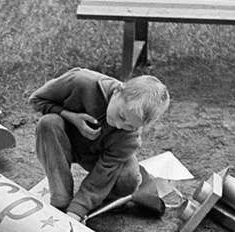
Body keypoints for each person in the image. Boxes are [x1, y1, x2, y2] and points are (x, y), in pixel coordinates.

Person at [30, 67, 170, 222]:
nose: (118, 125)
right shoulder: (81, 81)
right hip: (66, 140)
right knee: (48, 123)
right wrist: (71, 117)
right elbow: (36, 100)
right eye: (121, 115)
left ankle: (102, 201)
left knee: (130, 179)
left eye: (130, 126)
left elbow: (103, 174)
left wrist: (77, 210)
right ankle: (61, 200)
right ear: (117, 91)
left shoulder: (130, 138)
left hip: (98, 156)